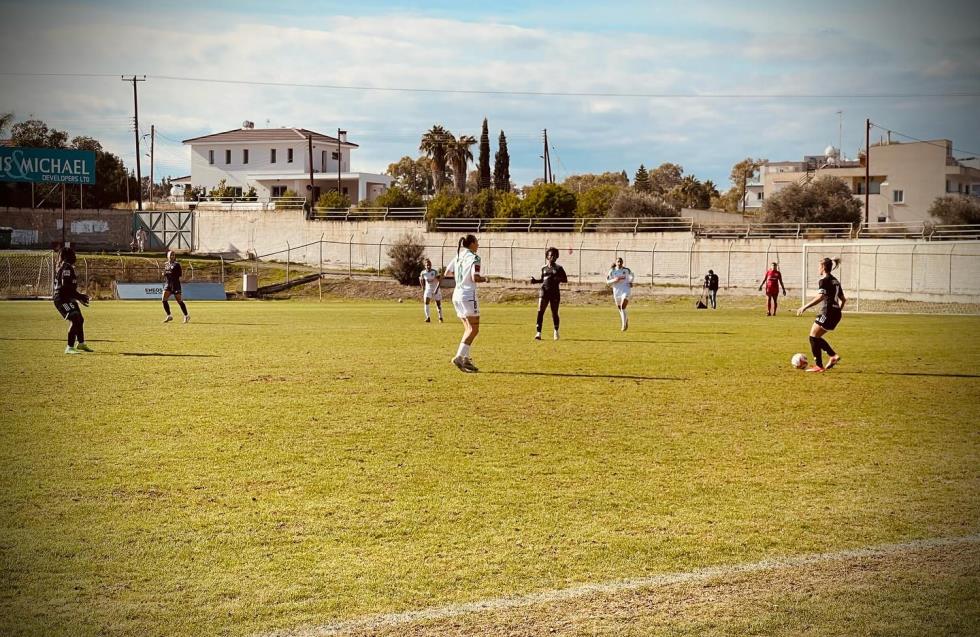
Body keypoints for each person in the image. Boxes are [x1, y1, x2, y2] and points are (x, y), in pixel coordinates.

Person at [796, 257, 845, 372]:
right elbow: (843, 299)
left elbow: (820, 297)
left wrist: (805, 306)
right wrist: (837, 310)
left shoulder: (824, 280)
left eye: (819, 266)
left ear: (823, 267)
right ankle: (832, 357)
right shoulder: (835, 281)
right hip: (837, 314)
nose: (818, 268)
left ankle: (822, 363)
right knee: (816, 337)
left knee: (812, 337)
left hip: (828, 312)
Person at [448, 235, 488, 372]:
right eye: (477, 242)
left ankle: (466, 359)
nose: (478, 245)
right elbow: (474, 277)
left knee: (468, 329)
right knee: (474, 329)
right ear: (471, 244)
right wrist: (485, 279)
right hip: (468, 295)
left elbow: (448, 272)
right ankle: (459, 357)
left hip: (456, 295)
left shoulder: (458, 256)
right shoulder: (474, 257)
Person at [52, 247, 93, 354]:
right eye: (73, 254)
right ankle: (69, 347)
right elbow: (65, 287)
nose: (75, 256)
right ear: (66, 256)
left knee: (80, 319)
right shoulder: (66, 268)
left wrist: (78, 297)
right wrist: (80, 296)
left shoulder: (67, 267)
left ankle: (81, 343)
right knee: (75, 318)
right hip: (62, 299)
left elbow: (69, 288)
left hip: (68, 297)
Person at [531, 247, 568, 340]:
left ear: (557, 257)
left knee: (554, 313)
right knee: (540, 311)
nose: (552, 257)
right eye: (551, 255)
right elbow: (543, 280)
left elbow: (565, 279)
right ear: (547, 256)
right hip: (544, 292)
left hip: (554, 293)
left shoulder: (559, 268)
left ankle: (556, 331)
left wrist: (557, 279)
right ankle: (538, 333)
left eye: (554, 255)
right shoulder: (543, 268)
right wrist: (535, 281)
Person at [606, 257, 634, 331]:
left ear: (622, 262)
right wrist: (615, 280)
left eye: (621, 262)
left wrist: (631, 282)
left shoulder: (626, 270)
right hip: (617, 291)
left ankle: (623, 325)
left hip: (626, 290)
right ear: (616, 262)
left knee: (623, 306)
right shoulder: (612, 271)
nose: (619, 263)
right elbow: (607, 282)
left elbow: (632, 275)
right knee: (620, 309)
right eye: (618, 261)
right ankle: (626, 319)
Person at [162, 250, 190, 324]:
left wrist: (171, 273)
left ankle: (186, 315)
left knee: (179, 301)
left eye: (173, 255)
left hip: (175, 284)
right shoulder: (166, 264)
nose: (172, 256)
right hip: (168, 284)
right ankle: (169, 315)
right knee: (164, 299)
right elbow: (166, 272)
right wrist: (164, 273)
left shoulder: (177, 264)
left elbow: (179, 274)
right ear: (167, 256)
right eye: (171, 255)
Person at [418, 258, 444, 323]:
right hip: (428, 289)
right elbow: (421, 279)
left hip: (436, 288)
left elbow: (440, 280)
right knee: (426, 302)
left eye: (429, 265)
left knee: (438, 304)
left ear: (431, 265)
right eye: (427, 265)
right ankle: (428, 318)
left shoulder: (434, 272)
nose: (428, 266)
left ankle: (440, 317)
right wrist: (423, 288)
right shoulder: (423, 273)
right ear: (425, 266)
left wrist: (437, 289)